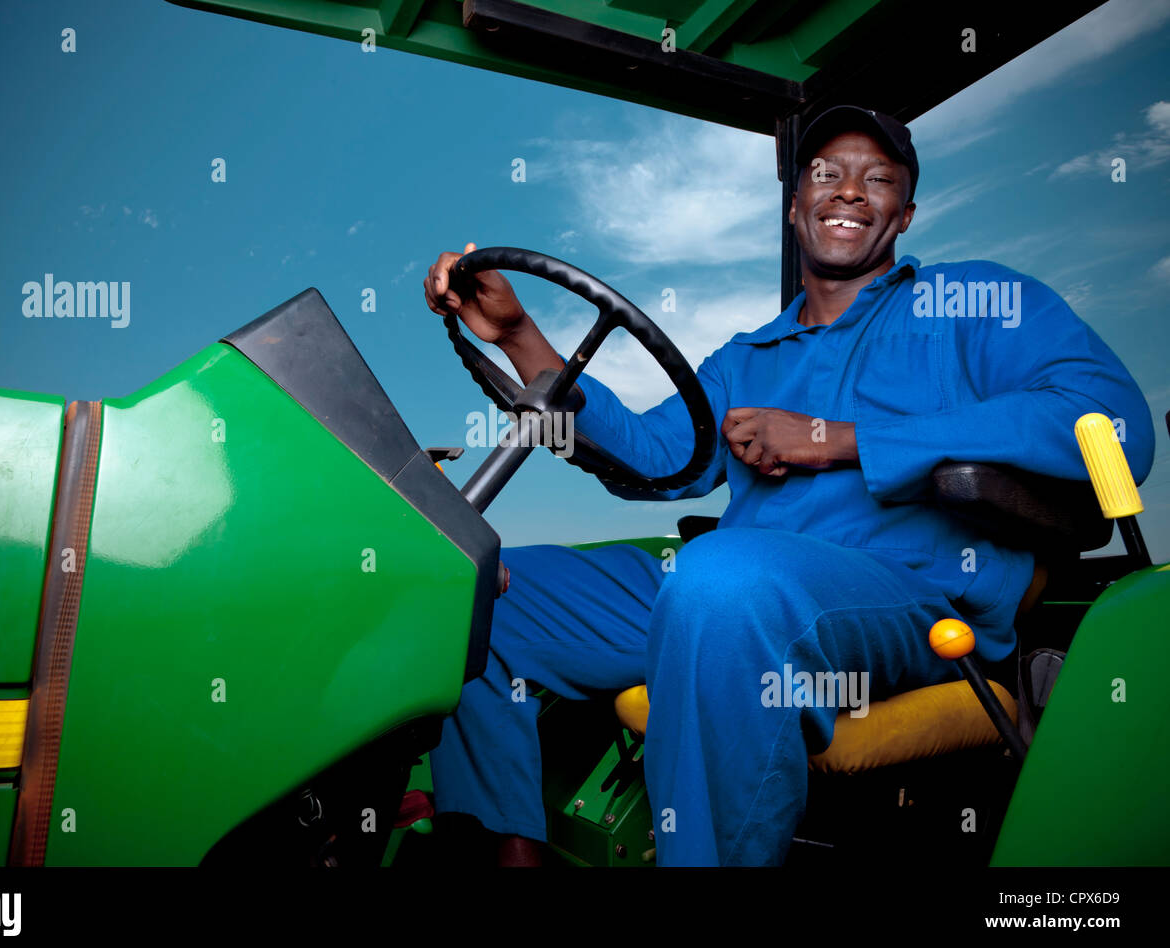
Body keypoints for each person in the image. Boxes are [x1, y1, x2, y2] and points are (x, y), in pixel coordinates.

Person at [421, 105, 1155, 866]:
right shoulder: (750, 356)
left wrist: (834, 441)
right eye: (827, 173)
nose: (849, 192)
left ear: (904, 215)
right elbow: (647, 457)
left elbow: (1116, 424)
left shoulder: (970, 305)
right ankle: (508, 854)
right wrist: (516, 334)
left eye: (878, 180)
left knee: (725, 582)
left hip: (899, 600)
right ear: (795, 203)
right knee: (471, 585)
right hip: (718, 593)